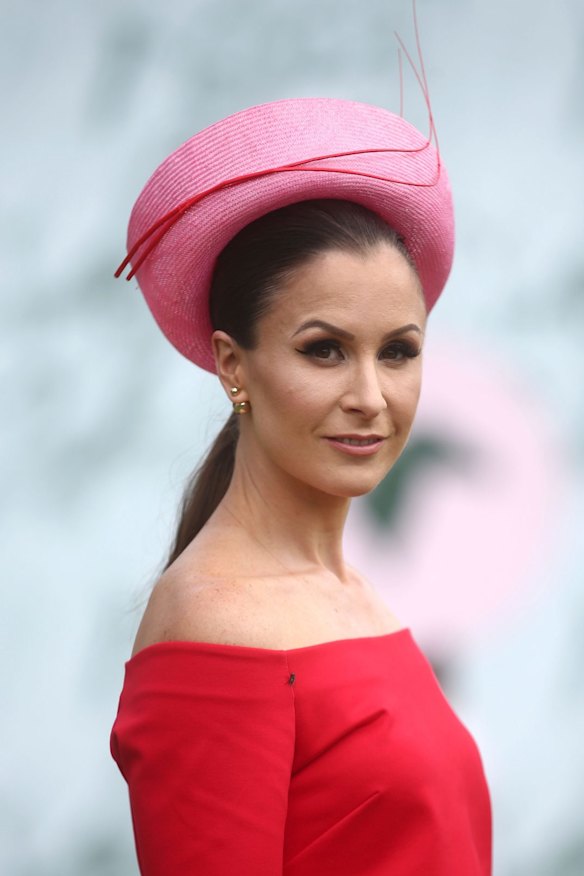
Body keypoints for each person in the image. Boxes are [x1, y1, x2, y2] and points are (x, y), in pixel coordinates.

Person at [110, 97, 492, 875]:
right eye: (324, 351)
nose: (371, 397)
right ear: (232, 364)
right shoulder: (214, 620)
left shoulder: (354, 595)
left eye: (397, 352)